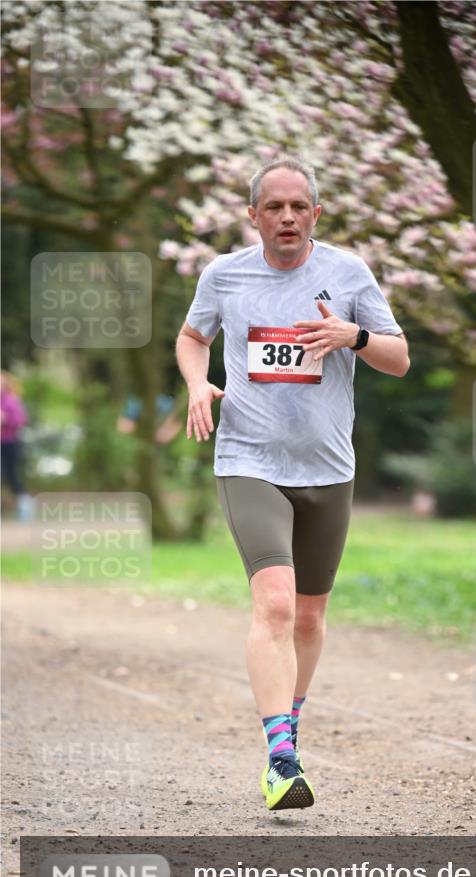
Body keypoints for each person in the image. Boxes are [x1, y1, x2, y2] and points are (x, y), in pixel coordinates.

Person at [175, 156, 409, 811]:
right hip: (248, 460)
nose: (286, 217)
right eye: (272, 207)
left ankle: (289, 719)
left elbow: (398, 358)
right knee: (274, 605)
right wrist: (199, 384)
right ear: (253, 216)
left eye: (297, 206)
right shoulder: (224, 275)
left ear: (314, 213)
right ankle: (281, 758)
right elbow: (192, 337)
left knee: (308, 617)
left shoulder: (347, 273)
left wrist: (352, 334)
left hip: (328, 467)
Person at [0, 370, 32, 520]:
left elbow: (21, 419)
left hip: (9, 443)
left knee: (11, 474)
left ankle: (25, 504)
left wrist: (6, 419)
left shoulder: (11, 400)